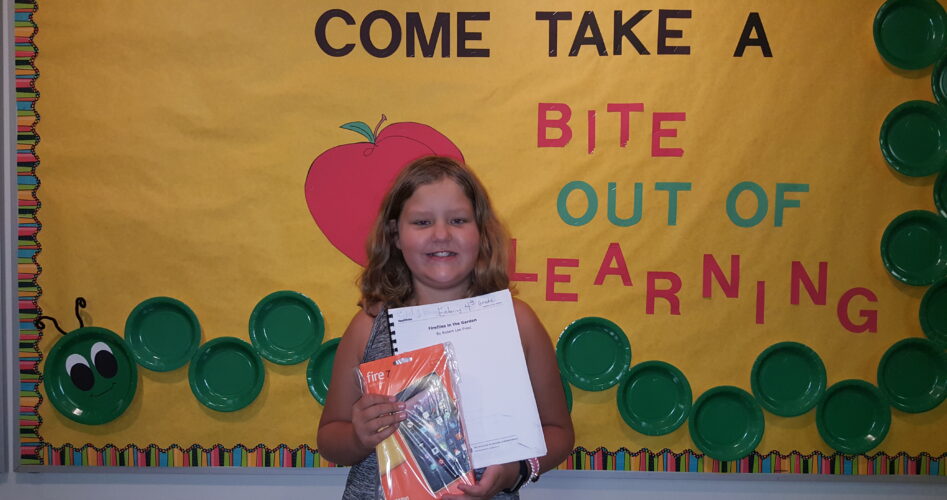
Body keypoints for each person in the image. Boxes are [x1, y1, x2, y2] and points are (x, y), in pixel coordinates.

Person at [318, 155, 574, 499]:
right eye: (422, 222)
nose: (441, 234)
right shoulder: (368, 326)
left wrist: (514, 471)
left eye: (458, 220)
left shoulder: (517, 322)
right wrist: (356, 437)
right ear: (395, 235)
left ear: (481, 232)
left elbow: (558, 432)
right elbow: (329, 438)